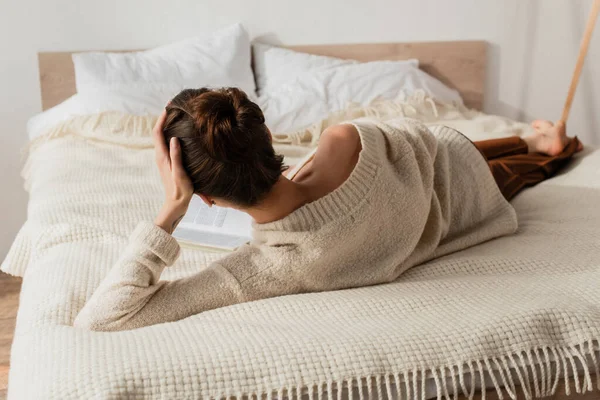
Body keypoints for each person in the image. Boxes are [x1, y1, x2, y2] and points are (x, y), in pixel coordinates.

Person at [73, 87, 582, 331]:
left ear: (206, 196)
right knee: (465, 150)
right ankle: (536, 143)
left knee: (483, 157)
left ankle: (538, 147)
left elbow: (103, 319)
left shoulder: (263, 269)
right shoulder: (345, 139)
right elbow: (426, 141)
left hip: (464, 194)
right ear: (267, 137)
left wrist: (171, 208)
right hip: (458, 171)